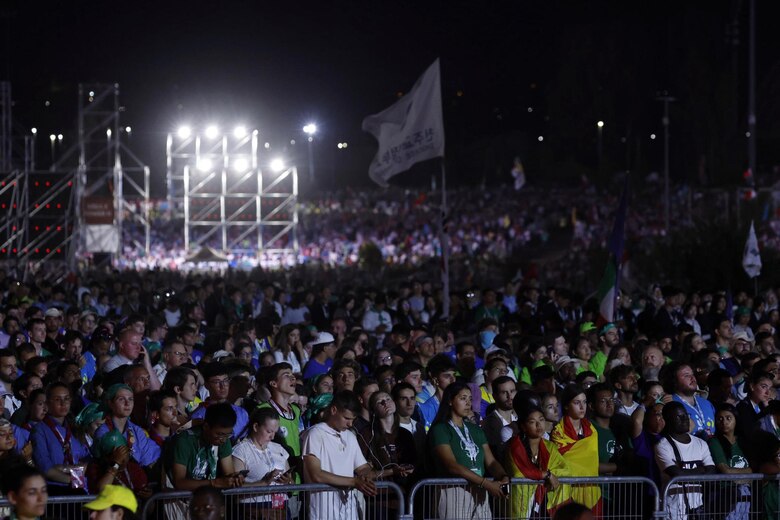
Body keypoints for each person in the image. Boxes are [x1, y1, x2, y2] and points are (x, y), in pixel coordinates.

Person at [429, 381, 509, 519]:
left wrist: (503, 476)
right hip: (454, 491)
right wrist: (486, 483)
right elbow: (452, 466)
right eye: (462, 398)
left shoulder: (476, 430)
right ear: (449, 401)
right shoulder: (440, 429)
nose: (468, 403)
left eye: (470, 399)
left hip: (479, 490)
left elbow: (491, 462)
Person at [301, 390, 378, 520]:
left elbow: (362, 467)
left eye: (353, 420)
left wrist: (365, 476)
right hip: (323, 511)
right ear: (334, 410)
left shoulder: (350, 436)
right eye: (347, 418)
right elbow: (316, 475)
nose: (350, 424)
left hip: (349, 509)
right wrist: (354, 481)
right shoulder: (315, 434)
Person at [654, 401, 716, 519]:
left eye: (686, 415)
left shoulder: (700, 443)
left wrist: (683, 471)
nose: (685, 419)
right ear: (668, 420)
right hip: (673, 510)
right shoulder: (662, 445)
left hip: (697, 509)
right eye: (679, 416)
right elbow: (677, 474)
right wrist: (702, 469)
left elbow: (711, 472)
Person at [507, 404, 568, 518]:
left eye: (541, 420)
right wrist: (547, 474)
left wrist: (547, 476)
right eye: (532, 422)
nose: (538, 425)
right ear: (523, 427)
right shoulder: (515, 446)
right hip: (522, 499)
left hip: (544, 498)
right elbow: (520, 473)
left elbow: (564, 470)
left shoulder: (550, 447)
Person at [169, 402, 245, 491]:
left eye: (228, 435)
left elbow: (228, 473)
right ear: (206, 426)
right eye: (219, 434)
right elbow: (179, 483)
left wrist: (234, 479)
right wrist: (215, 483)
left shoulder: (224, 440)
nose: (223, 440)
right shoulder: (184, 441)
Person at [231, 408, 292, 520]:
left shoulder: (279, 449)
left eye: (275, 432)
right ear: (255, 427)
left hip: (280, 506)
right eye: (269, 432)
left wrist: (288, 481)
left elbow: (291, 482)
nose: (272, 437)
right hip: (254, 509)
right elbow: (234, 488)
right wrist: (263, 483)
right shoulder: (241, 451)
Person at [31, 382, 91, 493]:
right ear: (47, 404)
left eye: (66, 399)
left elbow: (88, 463)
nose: (63, 403)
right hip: (55, 490)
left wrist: (63, 468)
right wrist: (75, 478)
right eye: (57, 399)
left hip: (78, 488)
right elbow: (45, 469)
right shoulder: (40, 430)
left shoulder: (75, 429)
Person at [550, 384, 601, 515]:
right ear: (566, 406)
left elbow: (591, 461)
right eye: (577, 402)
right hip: (566, 489)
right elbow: (563, 461)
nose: (582, 407)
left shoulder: (592, 430)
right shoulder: (558, 432)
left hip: (590, 489)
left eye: (584, 402)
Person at [93, 384, 161, 468]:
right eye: (121, 399)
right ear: (110, 403)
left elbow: (150, 460)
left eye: (130, 399)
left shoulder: (137, 430)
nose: (127, 403)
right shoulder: (103, 432)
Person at [708, 403, 752, 519]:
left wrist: (743, 477)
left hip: (747, 495)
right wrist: (749, 474)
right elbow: (725, 471)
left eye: (728, 418)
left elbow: (756, 469)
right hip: (727, 495)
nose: (724, 422)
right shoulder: (714, 442)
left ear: (736, 419)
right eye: (719, 419)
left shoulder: (744, 441)